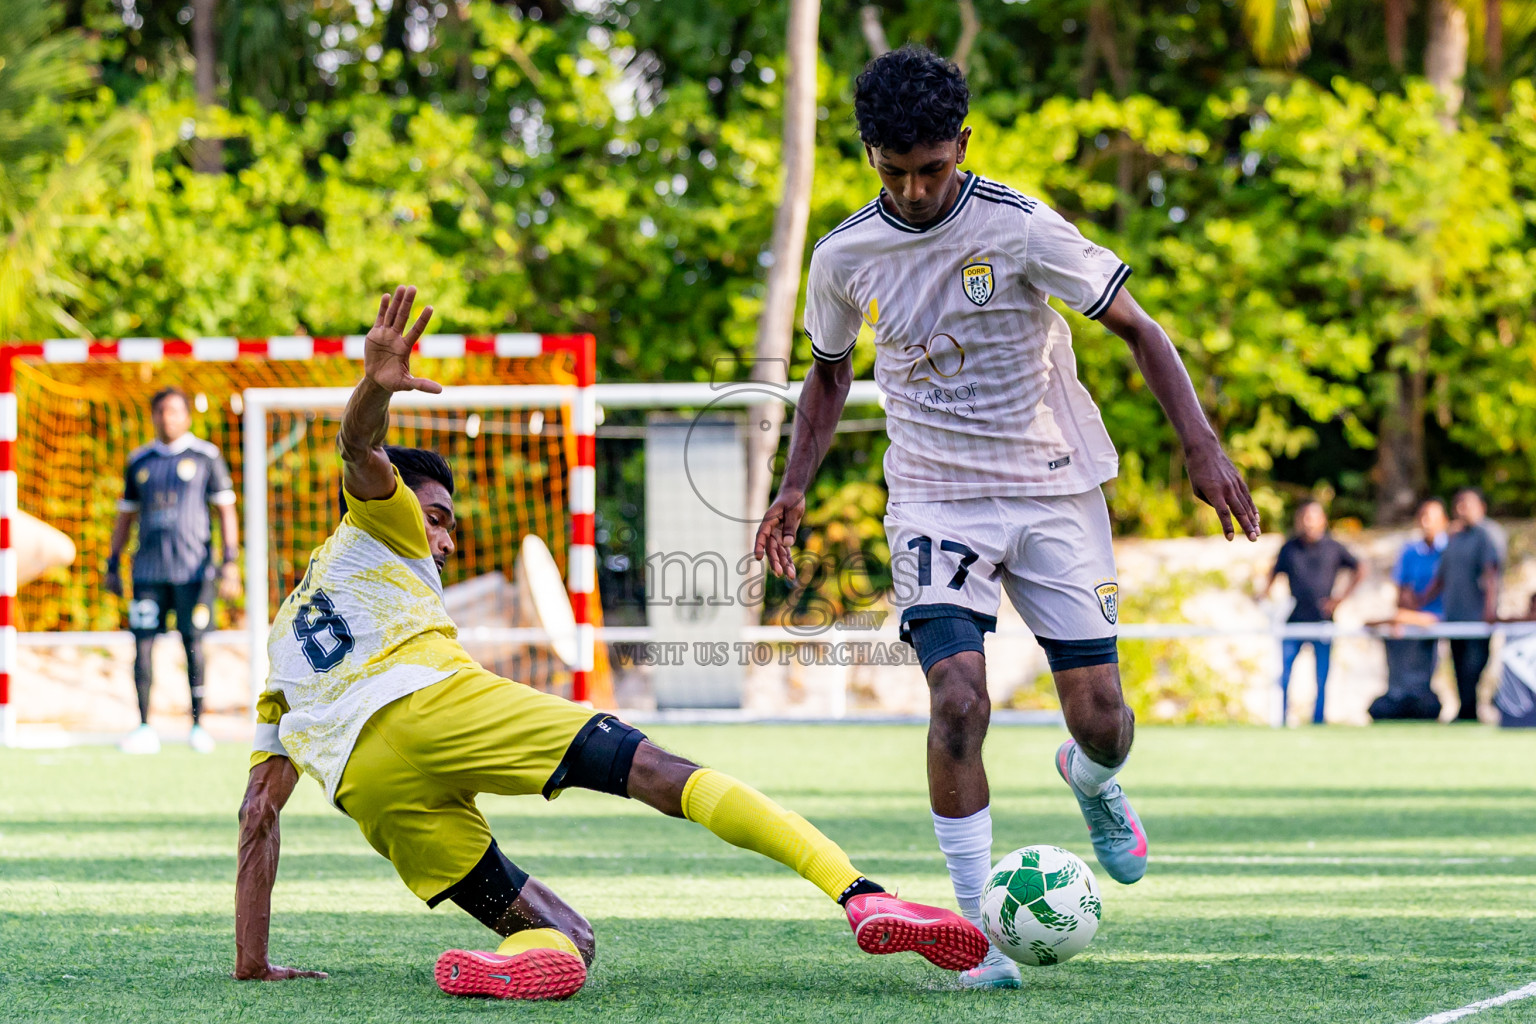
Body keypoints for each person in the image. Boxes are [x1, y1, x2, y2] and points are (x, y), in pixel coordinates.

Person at [233, 287, 986, 1000]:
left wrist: (253, 962)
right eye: (438, 517)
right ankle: (861, 895)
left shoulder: (281, 645)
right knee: (661, 771)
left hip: (367, 788)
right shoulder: (380, 521)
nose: (444, 538)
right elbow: (358, 446)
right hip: (429, 702)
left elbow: (259, 810)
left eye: (448, 525)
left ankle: (524, 959)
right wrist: (377, 387)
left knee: (569, 940)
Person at [753, 47, 1260, 990]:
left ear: (963, 146)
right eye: (892, 170)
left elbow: (1140, 328)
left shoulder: (1023, 228)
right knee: (958, 701)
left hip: (1054, 486)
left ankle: (1094, 779)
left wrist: (1202, 447)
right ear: (869, 156)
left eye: (931, 168)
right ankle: (974, 936)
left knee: (1105, 720)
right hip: (936, 497)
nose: (912, 190)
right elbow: (828, 371)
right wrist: (794, 484)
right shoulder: (845, 254)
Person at [104, 386, 241, 755]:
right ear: (153, 416)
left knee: (193, 643)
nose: (168, 418)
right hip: (147, 572)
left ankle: (198, 726)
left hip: (193, 571)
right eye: (161, 412)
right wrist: (113, 562)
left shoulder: (206, 457)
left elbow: (226, 510)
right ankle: (145, 725)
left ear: (187, 415)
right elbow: (125, 515)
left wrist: (230, 561)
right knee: (143, 645)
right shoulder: (140, 462)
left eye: (175, 411)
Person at [1259, 500, 1361, 725]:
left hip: (1323, 620)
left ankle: (1318, 720)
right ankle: (1281, 720)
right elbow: (1273, 573)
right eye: (1305, 517)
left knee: (1322, 677)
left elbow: (1359, 568)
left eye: (1313, 517)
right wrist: (1264, 598)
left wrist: (1340, 599)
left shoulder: (1334, 548)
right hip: (1294, 620)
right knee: (1284, 674)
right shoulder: (1289, 548)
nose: (1309, 523)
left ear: (1323, 520)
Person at [1416, 492, 1504, 721]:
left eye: (1468, 504)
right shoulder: (1453, 538)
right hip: (1455, 614)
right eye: (1459, 504)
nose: (1462, 509)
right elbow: (1441, 577)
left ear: (1481, 506)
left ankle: (1471, 708)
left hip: (1477, 616)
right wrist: (1421, 601)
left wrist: (1489, 609)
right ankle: (1466, 712)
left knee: (1474, 665)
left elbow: (1490, 573)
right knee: (1458, 665)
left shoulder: (1486, 535)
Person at [1368, 498, 1449, 722]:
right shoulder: (1409, 552)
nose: (1426, 523)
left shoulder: (1451, 551)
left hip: (1433, 617)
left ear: (1444, 521)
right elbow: (1400, 591)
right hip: (1410, 619)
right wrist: (1400, 614)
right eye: (1422, 517)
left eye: (1431, 518)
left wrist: (1404, 614)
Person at [1455, 487, 1507, 566]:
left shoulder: (1489, 532)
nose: (1459, 510)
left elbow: (1491, 569)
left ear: (1481, 506)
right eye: (1457, 505)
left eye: (1464, 506)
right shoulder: (1460, 534)